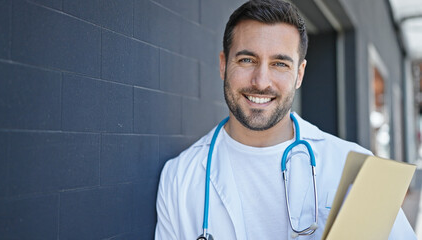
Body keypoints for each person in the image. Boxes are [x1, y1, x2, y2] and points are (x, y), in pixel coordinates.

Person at [155, 0, 417, 239]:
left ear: (299, 74)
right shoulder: (179, 178)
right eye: (247, 60)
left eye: (280, 64)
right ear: (224, 65)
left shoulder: (358, 170)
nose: (261, 81)